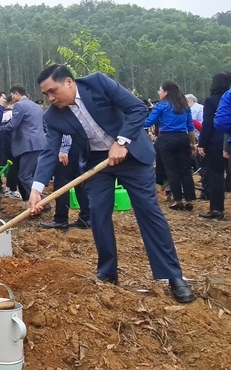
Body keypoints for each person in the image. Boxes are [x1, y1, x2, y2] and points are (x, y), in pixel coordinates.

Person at [29, 64, 195, 304]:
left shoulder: (97, 83)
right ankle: (107, 273)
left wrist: (121, 141)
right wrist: (36, 189)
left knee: (148, 211)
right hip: (97, 163)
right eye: (46, 94)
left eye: (53, 91)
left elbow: (137, 108)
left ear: (68, 82)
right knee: (97, 212)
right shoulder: (53, 116)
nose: (50, 98)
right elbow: (48, 152)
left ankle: (173, 276)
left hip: (132, 156)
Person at [143, 82, 196, 211]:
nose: (158, 92)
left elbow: (148, 122)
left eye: (160, 90)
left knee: (172, 170)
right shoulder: (184, 106)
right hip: (183, 138)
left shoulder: (161, 106)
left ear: (166, 92)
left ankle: (177, 200)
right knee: (185, 170)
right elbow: (190, 127)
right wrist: (193, 143)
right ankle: (189, 200)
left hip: (167, 139)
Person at [0, 85, 46, 204]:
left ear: (17, 94)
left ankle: (43, 201)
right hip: (39, 144)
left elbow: (13, 125)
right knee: (31, 175)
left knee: (24, 176)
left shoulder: (19, 105)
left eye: (12, 95)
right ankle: (37, 201)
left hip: (27, 145)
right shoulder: (36, 106)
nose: (11, 97)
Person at [40, 135, 91, 231]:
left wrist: (64, 149)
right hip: (78, 146)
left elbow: (65, 130)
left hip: (68, 149)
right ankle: (86, 217)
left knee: (61, 184)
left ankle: (61, 219)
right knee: (79, 182)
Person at [198, 72, 231, 219]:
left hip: (214, 142)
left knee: (215, 175)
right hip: (228, 140)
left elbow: (208, 124)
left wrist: (202, 143)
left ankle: (217, 209)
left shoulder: (211, 101)